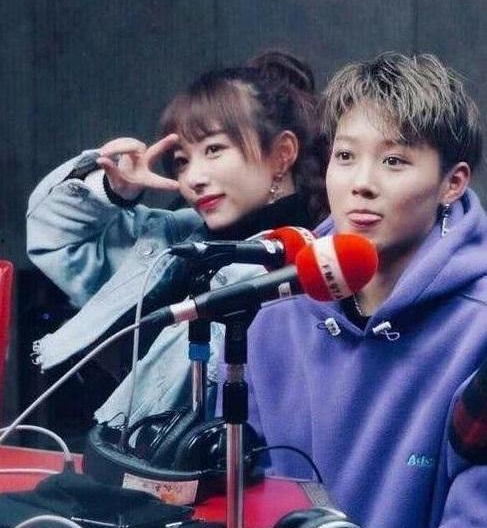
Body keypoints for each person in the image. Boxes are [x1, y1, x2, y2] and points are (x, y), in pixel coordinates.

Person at [239, 53, 487, 527]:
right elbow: (247, 491)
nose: (361, 184)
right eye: (346, 156)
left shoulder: (478, 326)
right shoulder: (278, 311)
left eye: (394, 161)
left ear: (452, 183)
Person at [26, 51, 327, 428]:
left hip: (225, 459)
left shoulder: (309, 263)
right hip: (124, 453)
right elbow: (57, 239)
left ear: (282, 154)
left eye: (214, 149)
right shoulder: (176, 240)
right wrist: (112, 191)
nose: (193, 178)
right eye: (182, 161)